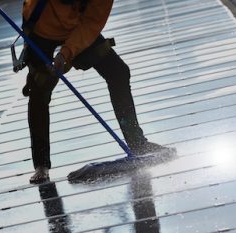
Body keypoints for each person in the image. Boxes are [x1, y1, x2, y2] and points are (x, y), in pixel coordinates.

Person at [20, 0, 172, 183]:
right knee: (40, 92)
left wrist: (65, 53)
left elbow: (91, 23)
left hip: (77, 28)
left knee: (118, 73)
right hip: (42, 29)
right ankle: (41, 165)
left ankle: (137, 143)